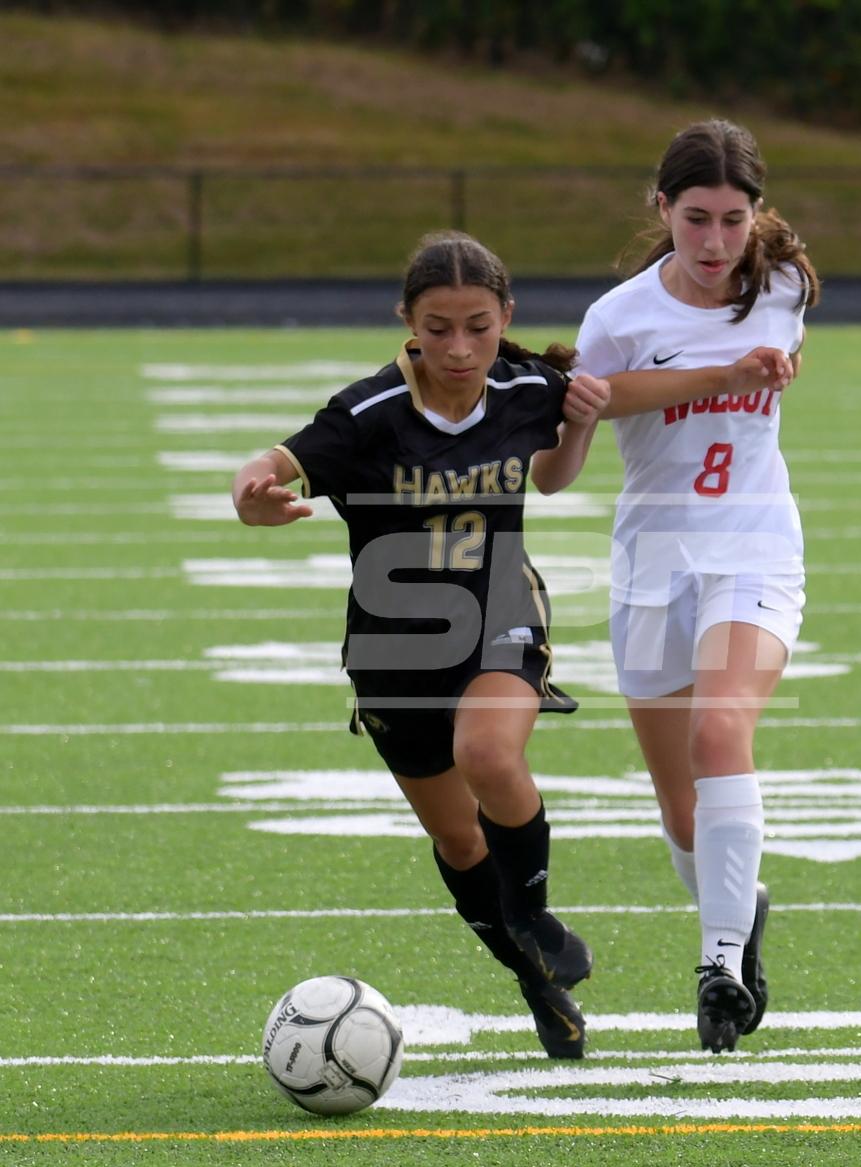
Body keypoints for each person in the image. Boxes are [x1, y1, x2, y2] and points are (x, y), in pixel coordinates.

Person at [232, 231, 610, 1059]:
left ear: (505, 316)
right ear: (407, 321)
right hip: (392, 647)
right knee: (460, 842)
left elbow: (551, 475)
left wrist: (584, 424)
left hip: (500, 610)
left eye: (478, 327)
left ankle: (534, 915)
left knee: (488, 754)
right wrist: (250, 496)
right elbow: (272, 463)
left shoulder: (527, 388)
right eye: (438, 328)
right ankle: (533, 978)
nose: (460, 348)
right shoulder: (367, 413)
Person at [574, 119, 819, 1053]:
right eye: (695, 219)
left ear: (756, 214)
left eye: (732, 220)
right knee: (681, 812)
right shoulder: (618, 319)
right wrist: (723, 373)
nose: (714, 242)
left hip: (753, 545)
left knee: (721, 731)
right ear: (661, 208)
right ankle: (740, 906)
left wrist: (760, 367)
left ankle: (720, 964)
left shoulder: (783, 285)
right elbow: (587, 424)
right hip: (652, 563)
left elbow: (774, 353)